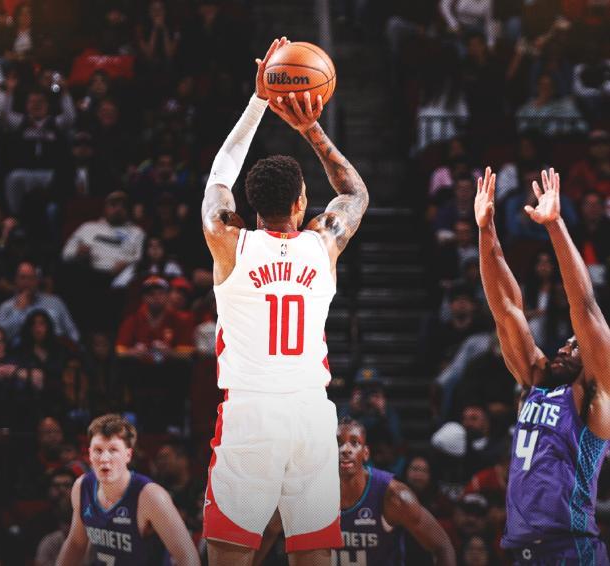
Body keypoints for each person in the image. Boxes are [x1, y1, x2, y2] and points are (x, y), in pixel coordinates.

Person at [200, 37, 368, 566]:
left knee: (229, 555)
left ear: (250, 206)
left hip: (250, 414)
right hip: (310, 415)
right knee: (312, 554)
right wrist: (310, 127)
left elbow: (219, 175)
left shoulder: (228, 241)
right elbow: (355, 194)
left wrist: (258, 101)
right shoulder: (323, 244)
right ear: (302, 203)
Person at [475, 166, 610, 564]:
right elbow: (506, 309)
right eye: (566, 341)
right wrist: (486, 231)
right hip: (523, 550)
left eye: (576, 344)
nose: (567, 345)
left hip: (571, 547)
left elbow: (584, 307)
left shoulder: (595, 394)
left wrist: (554, 225)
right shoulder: (534, 380)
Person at [254, 418, 455, 565]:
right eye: (338, 443)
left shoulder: (393, 496)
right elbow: (269, 531)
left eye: (354, 442)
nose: (345, 449)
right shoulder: (304, 491)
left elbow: (442, 546)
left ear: (365, 453)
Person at [56, 413, 200, 565]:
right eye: (98, 450)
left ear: (128, 455)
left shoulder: (150, 495)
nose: (104, 459)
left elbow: (188, 558)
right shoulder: (82, 486)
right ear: (89, 454)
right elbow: (76, 544)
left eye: (113, 450)